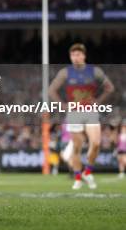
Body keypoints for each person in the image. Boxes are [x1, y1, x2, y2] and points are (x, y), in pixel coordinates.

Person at [49, 43, 114, 190]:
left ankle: (88, 171)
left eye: (78, 54)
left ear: (84, 55)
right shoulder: (65, 72)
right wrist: (62, 105)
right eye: (73, 55)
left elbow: (109, 88)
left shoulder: (94, 71)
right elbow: (51, 90)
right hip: (74, 113)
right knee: (77, 148)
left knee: (96, 143)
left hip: (90, 111)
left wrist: (98, 101)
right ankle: (78, 178)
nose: (75, 58)